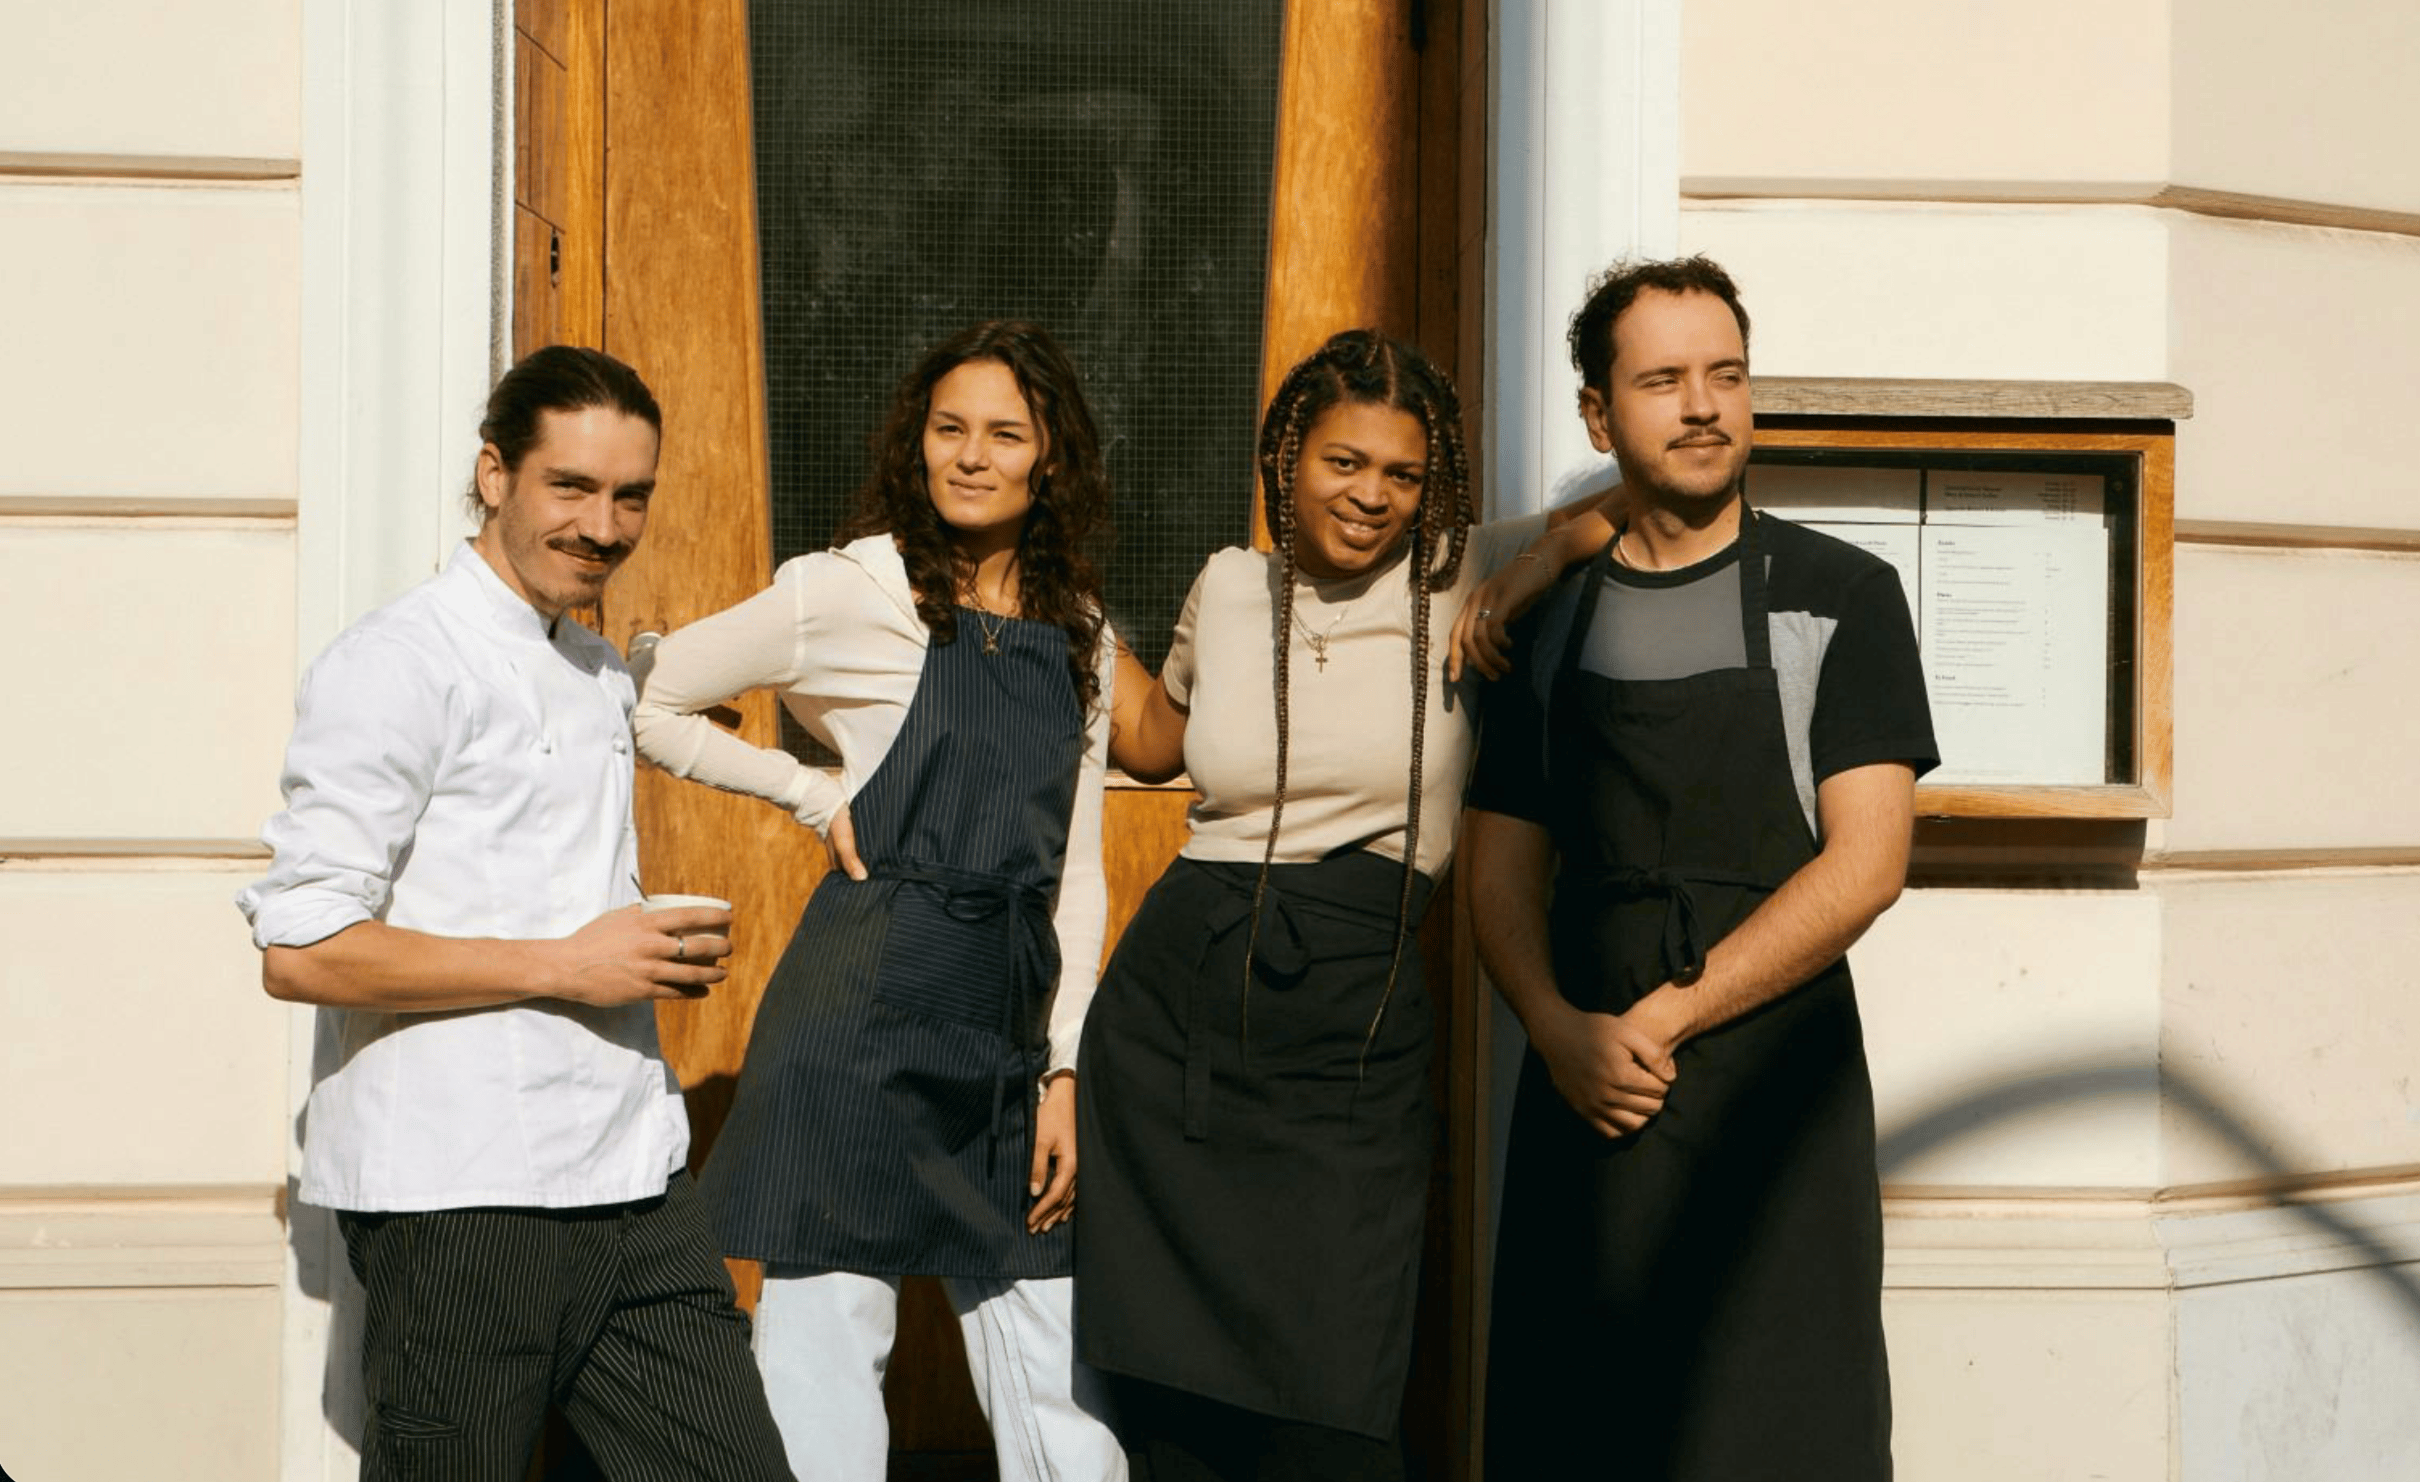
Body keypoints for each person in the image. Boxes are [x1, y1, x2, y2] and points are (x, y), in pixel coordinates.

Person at [237, 346, 792, 1481]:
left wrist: (637, 945)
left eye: (629, 495)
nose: (603, 524)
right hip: (458, 1194)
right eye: (570, 487)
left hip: (633, 1183)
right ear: (493, 473)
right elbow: (300, 949)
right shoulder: (395, 664)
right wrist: (566, 964)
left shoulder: (593, 670)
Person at [1076, 328, 1612, 1480]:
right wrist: (1048, 602)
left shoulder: (1462, 569)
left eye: (1401, 474)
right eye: (1342, 462)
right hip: (1173, 1009)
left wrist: (1539, 561)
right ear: (1286, 458)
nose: (1371, 496)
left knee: (1332, 1404)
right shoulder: (1226, 585)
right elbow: (1155, 744)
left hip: (1350, 1021)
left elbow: (1647, 492)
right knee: (1171, 1403)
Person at [1467, 255, 1939, 1479]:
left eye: (1724, 375)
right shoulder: (1546, 623)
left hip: (1772, 1090)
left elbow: (1867, 865)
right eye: (1663, 379)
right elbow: (1499, 867)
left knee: (1778, 1424)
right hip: (1587, 1091)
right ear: (1596, 413)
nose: (1702, 406)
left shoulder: (1842, 594)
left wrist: (1670, 1015)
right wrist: (1554, 1028)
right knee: (1580, 1429)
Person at [631, 321, 1125, 1481]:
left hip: (1003, 1023)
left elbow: (1079, 870)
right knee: (822, 1363)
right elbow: (649, 697)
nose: (970, 456)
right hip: (857, 1012)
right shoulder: (845, 591)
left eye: (1004, 433)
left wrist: (1062, 1069)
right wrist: (808, 791)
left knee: (1054, 1371)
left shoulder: (1080, 629)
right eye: (948, 429)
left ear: (1048, 458)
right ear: (917, 443)